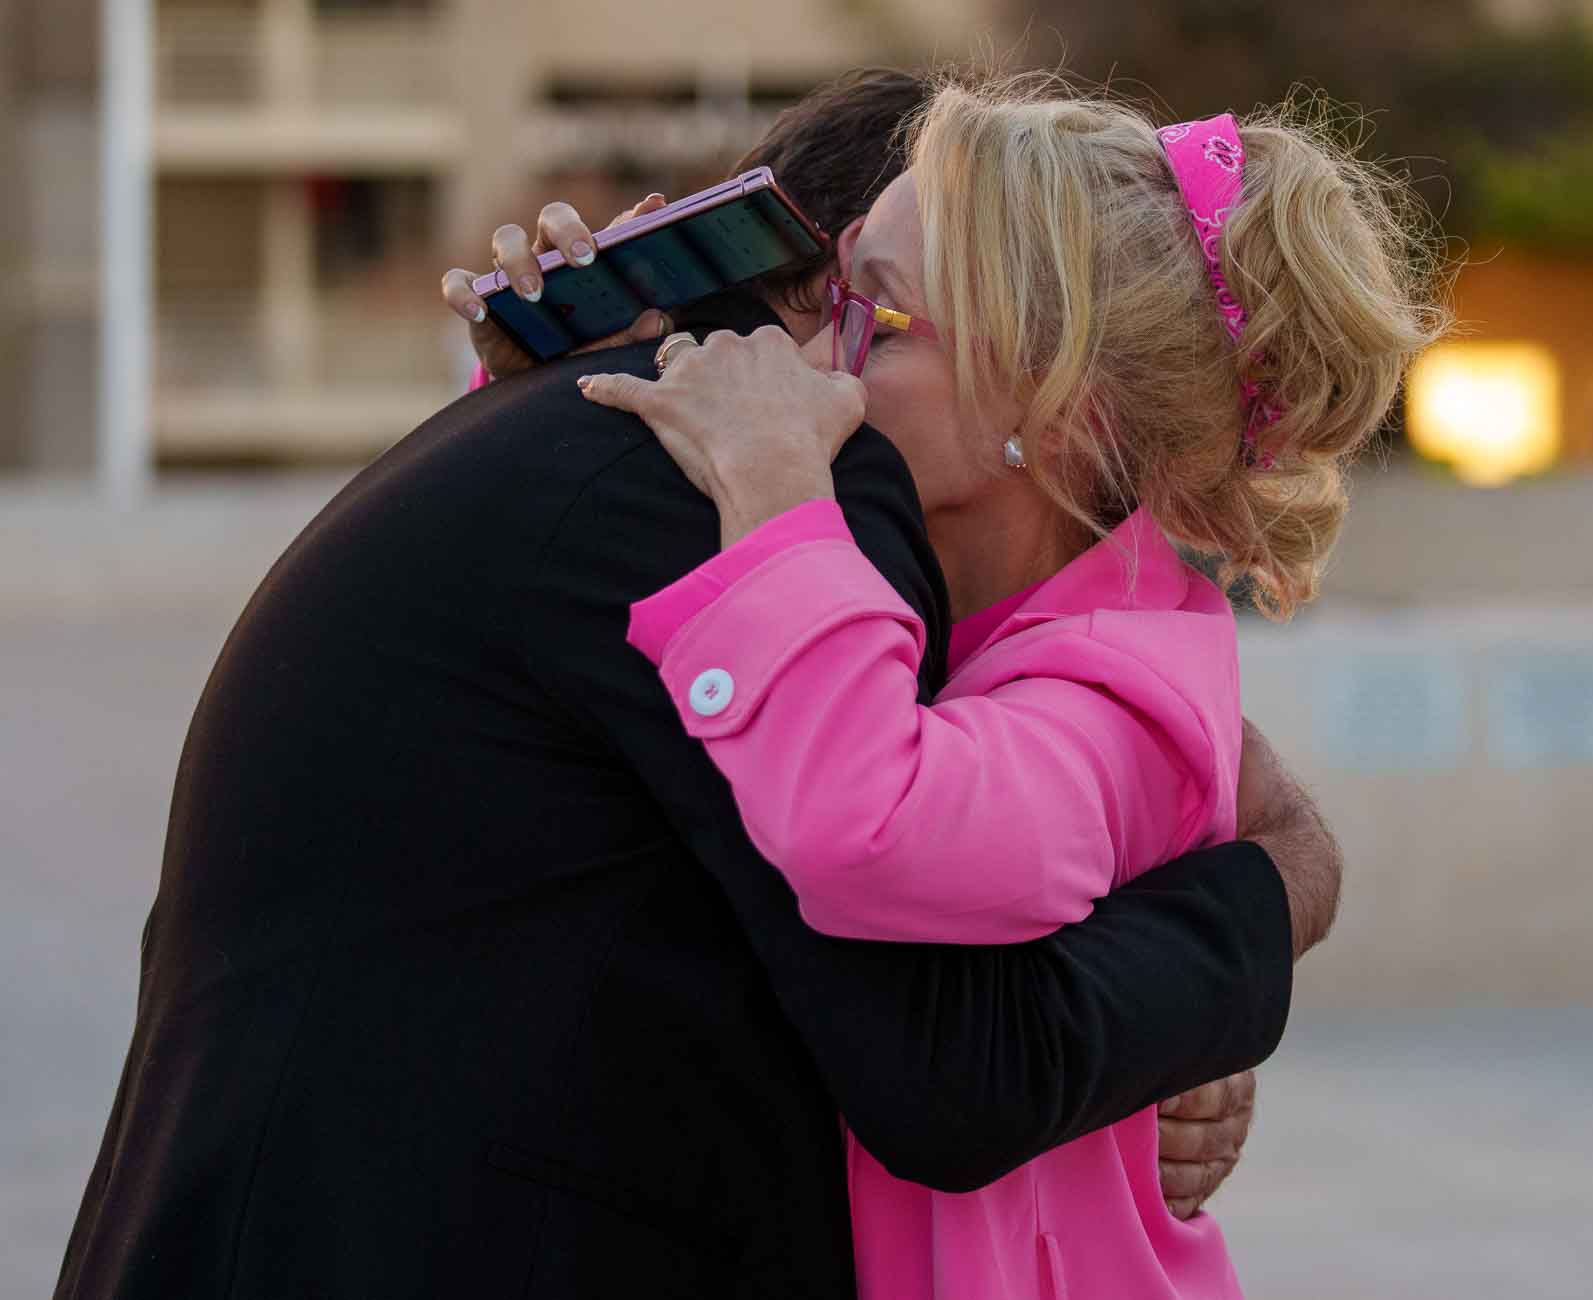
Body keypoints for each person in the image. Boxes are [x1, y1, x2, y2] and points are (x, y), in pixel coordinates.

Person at [54, 71, 1343, 1300]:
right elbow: (964, 1069)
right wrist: (1257, 901)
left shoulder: (653, 470)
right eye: (842, 302)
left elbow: (1011, 827)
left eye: (880, 315)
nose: (826, 369)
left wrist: (1195, 962)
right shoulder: (722, 496)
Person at [576, 73, 1444, 1298]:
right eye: (834, 283)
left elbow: (865, 822)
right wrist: (551, 403)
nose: (811, 345)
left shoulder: (1130, 697)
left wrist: (775, 491)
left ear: (1063, 417)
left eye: (875, 314)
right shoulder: (1004, 619)